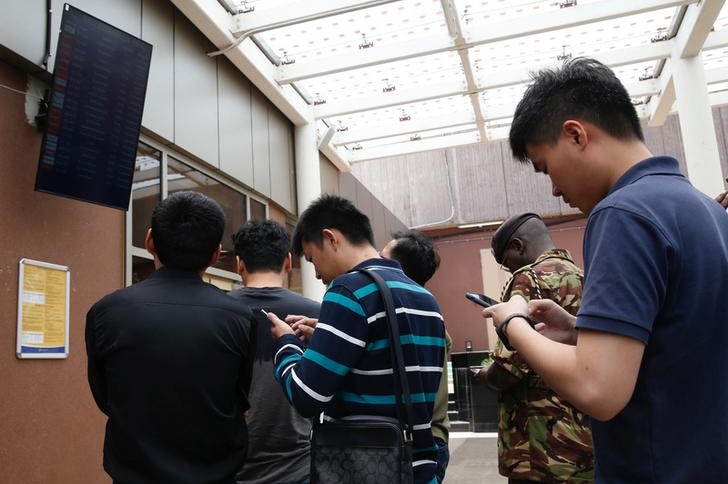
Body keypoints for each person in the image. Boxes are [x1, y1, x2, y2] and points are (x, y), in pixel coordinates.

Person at [483, 57, 728, 483]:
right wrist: (580, 330)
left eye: (545, 168)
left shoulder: (623, 212)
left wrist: (513, 324)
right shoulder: (704, 208)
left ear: (575, 134)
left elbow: (599, 389)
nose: (556, 189)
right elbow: (681, 337)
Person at [265, 194, 446, 484]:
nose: (317, 273)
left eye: (313, 259)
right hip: (419, 468)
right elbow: (392, 366)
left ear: (331, 238)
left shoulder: (348, 290)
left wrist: (285, 343)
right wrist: (327, 339)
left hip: (365, 467)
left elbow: (306, 396)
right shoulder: (425, 299)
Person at [85, 191, 256, 484]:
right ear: (216, 254)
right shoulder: (239, 317)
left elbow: (105, 396)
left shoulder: (106, 313)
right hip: (216, 474)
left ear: (150, 241)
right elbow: (240, 396)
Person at [475, 213, 593, 483]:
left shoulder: (529, 279)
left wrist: (483, 375)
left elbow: (510, 368)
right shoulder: (586, 278)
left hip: (539, 449)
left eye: (506, 263)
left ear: (518, 246)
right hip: (584, 443)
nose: (509, 270)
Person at [229, 220, 320, 484]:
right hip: (299, 469)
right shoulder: (317, 315)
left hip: (231, 469)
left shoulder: (217, 313)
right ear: (288, 262)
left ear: (239, 264)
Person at [381, 230, 452, 484]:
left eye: (382, 259)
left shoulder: (407, 322)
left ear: (398, 271)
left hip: (419, 443)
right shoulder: (429, 317)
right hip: (431, 437)